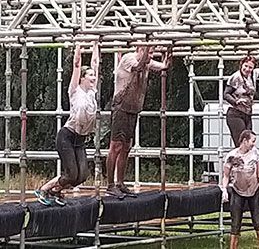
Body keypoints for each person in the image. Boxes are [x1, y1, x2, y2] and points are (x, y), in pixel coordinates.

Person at [34, 42, 100, 206]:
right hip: (67, 136)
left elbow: (96, 63)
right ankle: (44, 189)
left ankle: (56, 191)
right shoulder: (75, 90)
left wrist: (96, 43)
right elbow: (76, 64)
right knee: (71, 174)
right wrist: (78, 44)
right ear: (82, 78)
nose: (93, 77)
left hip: (80, 139)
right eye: (90, 75)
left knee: (82, 176)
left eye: (94, 75)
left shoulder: (92, 92)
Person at [106, 46, 170, 197]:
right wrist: (148, 47)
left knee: (127, 146)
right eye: (149, 52)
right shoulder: (129, 58)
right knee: (116, 145)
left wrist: (169, 50)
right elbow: (138, 67)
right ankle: (110, 184)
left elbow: (164, 66)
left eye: (152, 53)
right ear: (140, 50)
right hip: (121, 106)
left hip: (133, 108)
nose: (151, 56)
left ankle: (120, 182)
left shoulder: (146, 62)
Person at [221, 130, 259, 249]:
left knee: (258, 222)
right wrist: (225, 190)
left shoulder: (255, 153)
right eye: (252, 141)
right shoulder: (232, 156)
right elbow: (226, 176)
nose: (254, 144)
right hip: (238, 191)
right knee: (235, 224)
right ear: (244, 141)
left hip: (254, 190)